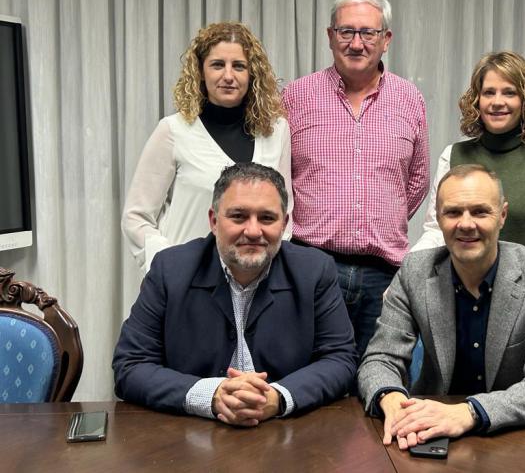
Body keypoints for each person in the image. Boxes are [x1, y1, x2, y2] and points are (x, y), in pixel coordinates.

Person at [113, 163, 356, 425]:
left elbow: (340, 360)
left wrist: (278, 397)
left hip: (288, 434)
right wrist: (212, 396)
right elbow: (131, 365)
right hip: (190, 435)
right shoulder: (170, 270)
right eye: (238, 216)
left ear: (284, 224)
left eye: (267, 218)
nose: (253, 231)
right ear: (214, 221)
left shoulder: (315, 271)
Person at [358, 164, 525, 448]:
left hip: (515, 436)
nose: (466, 224)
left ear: (502, 216)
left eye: (480, 211)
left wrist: (469, 412)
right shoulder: (414, 270)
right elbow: (380, 358)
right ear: (438, 218)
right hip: (428, 432)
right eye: (453, 212)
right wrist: (392, 399)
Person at [282, 0, 430, 358]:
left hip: (384, 275)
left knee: (377, 378)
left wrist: (378, 217)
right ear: (330, 36)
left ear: (386, 41)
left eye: (368, 33)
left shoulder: (410, 99)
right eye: (346, 31)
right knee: (309, 378)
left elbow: (417, 180)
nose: (357, 43)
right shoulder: (296, 97)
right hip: (311, 265)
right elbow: (279, 179)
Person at [122, 22, 292, 273]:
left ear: (252, 74)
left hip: (256, 279)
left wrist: (266, 267)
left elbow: (284, 211)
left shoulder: (276, 131)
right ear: (200, 71)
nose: (228, 76)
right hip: (187, 280)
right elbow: (136, 216)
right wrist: (169, 263)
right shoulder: (174, 130)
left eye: (239, 66)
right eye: (217, 65)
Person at [412, 51, 525, 276]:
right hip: (462, 295)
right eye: (489, 92)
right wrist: (409, 270)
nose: (497, 102)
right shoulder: (453, 155)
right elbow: (435, 231)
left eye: (509, 93)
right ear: (477, 99)